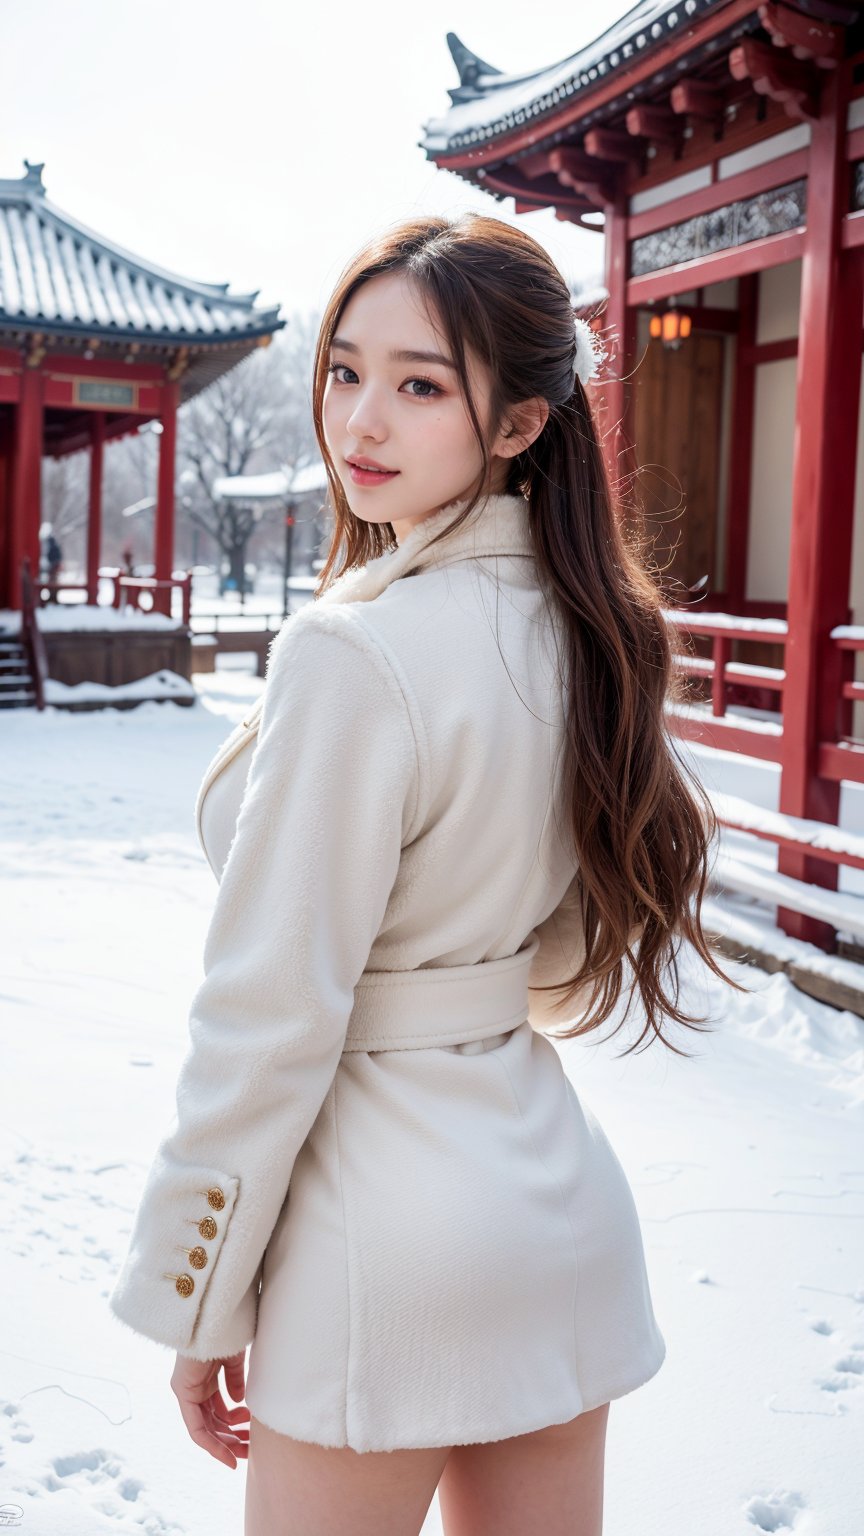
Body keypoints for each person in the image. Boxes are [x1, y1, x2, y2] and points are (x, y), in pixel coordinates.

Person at [108, 212, 747, 1535]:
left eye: (420, 383)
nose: (363, 422)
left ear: (518, 423)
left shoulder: (355, 657)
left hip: (377, 1245)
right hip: (550, 1205)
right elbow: (561, 953)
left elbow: (270, 1017)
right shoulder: (590, 632)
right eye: (345, 370)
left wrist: (199, 1298)